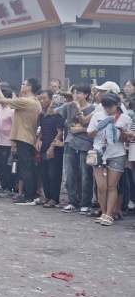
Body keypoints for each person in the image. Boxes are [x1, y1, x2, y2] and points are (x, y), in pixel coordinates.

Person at [0, 77, 42, 205]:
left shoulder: (26, 101)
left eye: (24, 84)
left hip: (24, 138)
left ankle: (29, 196)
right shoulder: (35, 101)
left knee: (26, 168)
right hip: (28, 138)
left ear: (29, 87)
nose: (22, 85)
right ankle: (29, 194)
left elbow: (2, 100)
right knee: (27, 167)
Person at [87, 92, 132, 226]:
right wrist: (100, 126)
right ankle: (103, 211)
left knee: (112, 186)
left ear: (117, 105)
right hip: (99, 152)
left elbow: (126, 140)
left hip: (117, 153)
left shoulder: (125, 118)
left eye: (110, 107)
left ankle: (109, 214)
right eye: (105, 106)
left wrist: (120, 131)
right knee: (101, 186)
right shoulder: (97, 115)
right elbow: (90, 133)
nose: (107, 109)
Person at [56, 85, 95, 213]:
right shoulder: (68, 106)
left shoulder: (93, 108)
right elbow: (53, 112)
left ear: (86, 95)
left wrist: (81, 128)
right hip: (70, 142)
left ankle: (85, 202)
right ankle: (73, 201)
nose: (76, 95)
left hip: (86, 144)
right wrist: (55, 100)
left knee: (85, 175)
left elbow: (88, 125)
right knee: (70, 174)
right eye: (75, 92)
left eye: (79, 93)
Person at [36, 90, 64, 208]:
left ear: (51, 99)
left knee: (54, 174)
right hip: (43, 146)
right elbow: (41, 130)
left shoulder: (57, 115)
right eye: (40, 99)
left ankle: (54, 198)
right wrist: (38, 140)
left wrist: (52, 147)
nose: (42, 101)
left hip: (54, 148)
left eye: (44, 98)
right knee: (44, 173)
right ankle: (47, 196)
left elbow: (60, 132)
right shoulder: (42, 115)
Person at [0, 84, 15, 197]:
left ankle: (8, 188)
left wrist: (13, 145)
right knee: (1, 167)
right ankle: (3, 187)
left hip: (8, 144)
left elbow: (14, 127)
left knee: (8, 168)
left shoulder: (11, 111)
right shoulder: (0, 109)